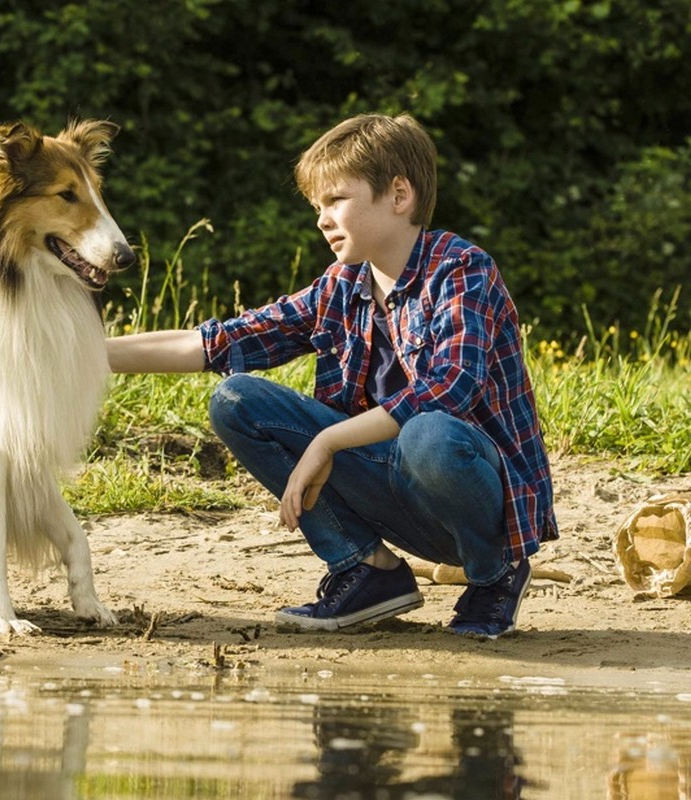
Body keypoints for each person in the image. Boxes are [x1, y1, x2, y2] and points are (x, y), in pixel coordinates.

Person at [107, 113, 558, 639]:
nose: (322, 219)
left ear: (399, 195)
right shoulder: (342, 284)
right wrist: (80, 352)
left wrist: (328, 440)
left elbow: (449, 387)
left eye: (336, 200)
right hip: (398, 497)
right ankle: (367, 569)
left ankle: (495, 573)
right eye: (317, 206)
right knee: (236, 399)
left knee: (429, 431)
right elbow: (223, 341)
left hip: (479, 505)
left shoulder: (461, 268)